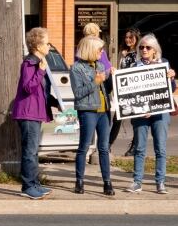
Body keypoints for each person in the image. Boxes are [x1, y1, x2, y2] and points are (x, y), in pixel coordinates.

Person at [125, 34, 175, 194]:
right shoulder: (134, 67)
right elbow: (129, 94)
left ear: (155, 50)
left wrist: (171, 78)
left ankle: (160, 182)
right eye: (141, 47)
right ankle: (137, 182)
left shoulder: (164, 64)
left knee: (160, 148)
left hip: (160, 113)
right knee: (139, 148)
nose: (144, 50)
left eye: (147, 47)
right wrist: (140, 108)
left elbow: (171, 89)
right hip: (141, 114)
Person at [12, 27, 57, 200]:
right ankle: (28, 186)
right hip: (28, 113)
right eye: (47, 43)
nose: (49, 47)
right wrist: (40, 71)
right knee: (29, 151)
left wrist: (54, 102)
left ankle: (35, 183)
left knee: (34, 151)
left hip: (36, 112)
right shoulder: (30, 63)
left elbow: (41, 91)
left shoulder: (39, 63)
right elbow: (28, 87)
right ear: (38, 45)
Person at [70, 36, 114, 196]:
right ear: (90, 50)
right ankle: (79, 181)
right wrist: (95, 81)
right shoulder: (76, 68)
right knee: (84, 146)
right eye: (99, 50)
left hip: (104, 111)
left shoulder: (101, 65)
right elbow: (78, 93)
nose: (102, 53)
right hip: (88, 111)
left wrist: (111, 78)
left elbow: (106, 89)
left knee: (103, 147)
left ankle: (107, 182)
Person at [110, 27, 141, 155]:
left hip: (137, 91)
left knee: (136, 120)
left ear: (136, 38)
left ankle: (134, 146)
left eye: (131, 37)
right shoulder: (123, 53)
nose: (128, 40)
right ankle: (108, 144)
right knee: (117, 118)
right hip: (123, 90)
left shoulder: (140, 52)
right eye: (126, 37)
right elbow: (121, 70)